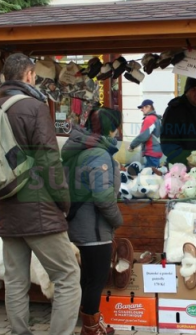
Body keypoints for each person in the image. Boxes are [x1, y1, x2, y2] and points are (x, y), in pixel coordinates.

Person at [0, 53, 81, 335]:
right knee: (67, 276)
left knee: (14, 280)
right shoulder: (34, 107)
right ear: (28, 76)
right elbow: (50, 160)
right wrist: (64, 201)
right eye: (34, 75)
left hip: (7, 208)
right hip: (39, 208)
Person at [61, 107, 123, 335]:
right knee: (96, 280)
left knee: (86, 278)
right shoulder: (98, 153)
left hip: (77, 222)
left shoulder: (76, 147)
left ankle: (93, 323)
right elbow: (103, 197)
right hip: (94, 228)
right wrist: (117, 220)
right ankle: (90, 329)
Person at [128, 99, 163, 169]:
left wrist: (132, 145)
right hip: (156, 151)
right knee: (151, 174)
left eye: (143, 107)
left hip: (152, 152)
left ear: (149, 107)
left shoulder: (150, 119)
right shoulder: (156, 118)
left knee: (151, 176)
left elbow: (143, 136)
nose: (141, 109)